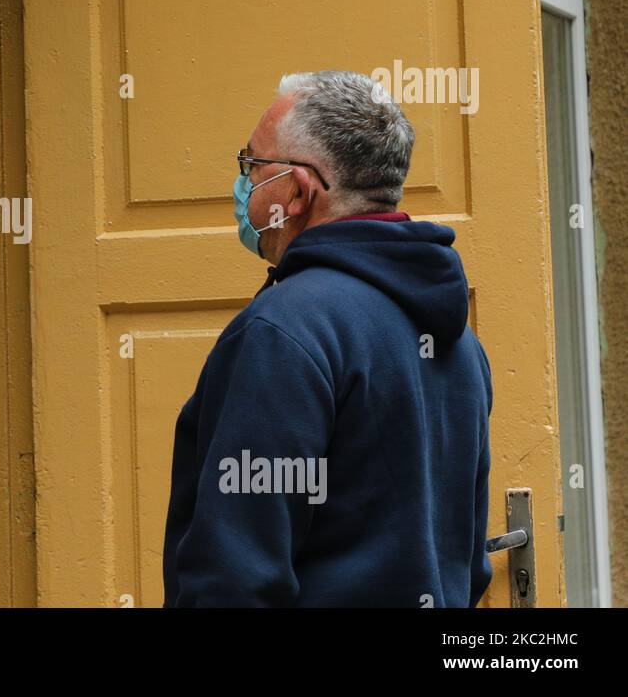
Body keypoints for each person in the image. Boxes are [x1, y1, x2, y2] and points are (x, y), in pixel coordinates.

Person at [161, 70, 493, 607]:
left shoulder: (284, 332)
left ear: (296, 190)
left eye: (252, 165)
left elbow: (235, 578)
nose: (244, 181)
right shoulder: (458, 340)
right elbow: (466, 564)